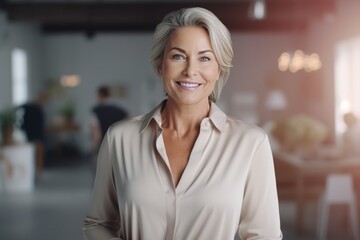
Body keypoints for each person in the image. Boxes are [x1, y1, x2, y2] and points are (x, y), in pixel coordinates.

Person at [83, 7, 282, 240]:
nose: (190, 70)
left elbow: (264, 236)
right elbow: (98, 224)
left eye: (205, 58)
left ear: (219, 69)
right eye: (178, 56)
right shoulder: (120, 138)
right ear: (160, 65)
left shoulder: (251, 143)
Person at [18, 91, 48, 176]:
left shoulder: (35, 108)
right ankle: (37, 171)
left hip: (34, 134)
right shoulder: (32, 108)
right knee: (36, 153)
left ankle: (38, 171)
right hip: (34, 134)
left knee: (37, 153)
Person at [90, 85, 128, 151]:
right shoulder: (120, 111)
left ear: (99, 95)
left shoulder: (96, 111)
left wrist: (94, 146)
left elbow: (96, 133)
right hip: (117, 143)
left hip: (103, 144)